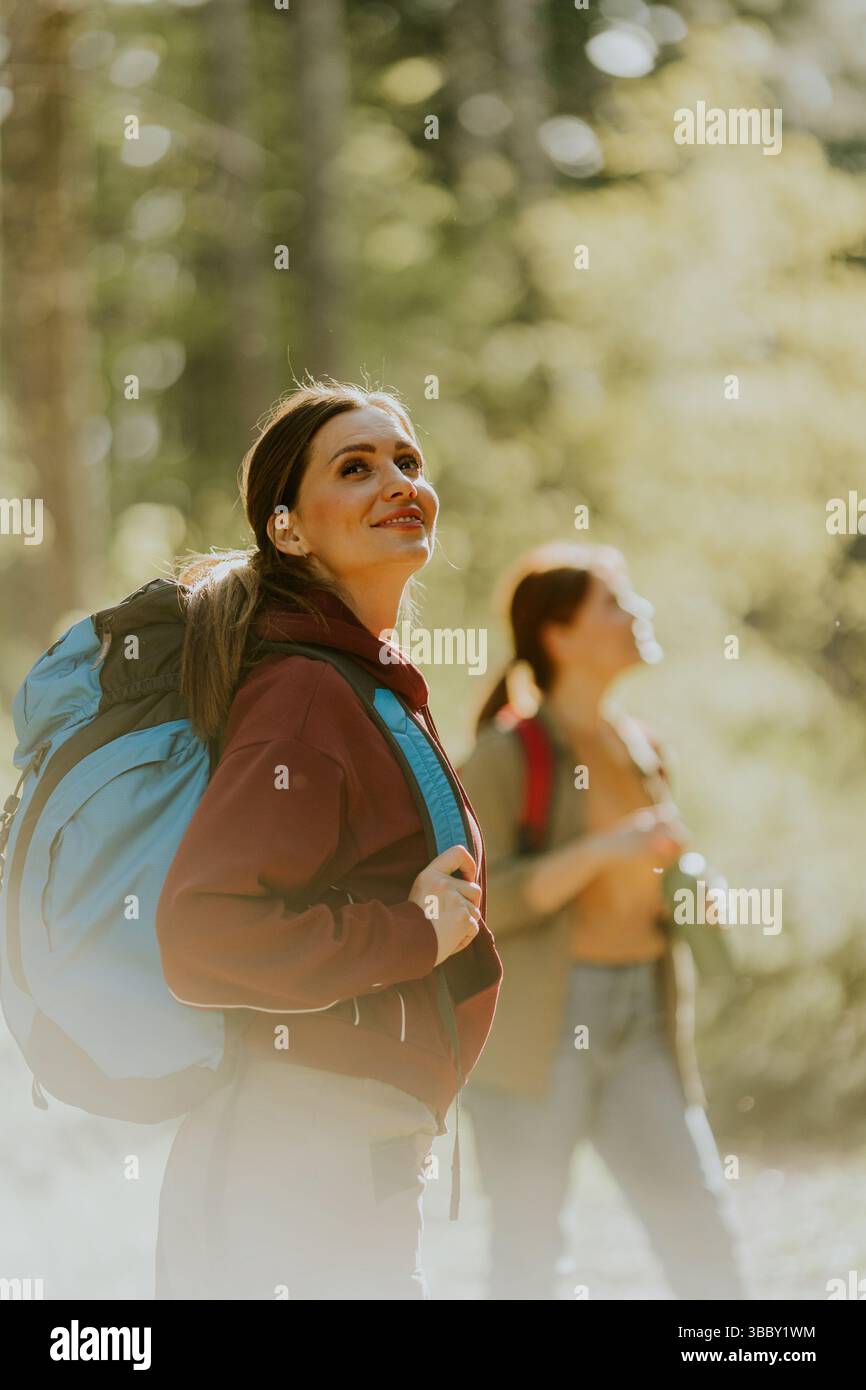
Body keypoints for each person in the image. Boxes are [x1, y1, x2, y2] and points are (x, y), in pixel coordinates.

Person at [154, 380, 502, 1300]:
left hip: (347, 1150)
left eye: (407, 462)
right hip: (295, 1156)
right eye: (356, 468)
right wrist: (415, 934)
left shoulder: (363, 687)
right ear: (289, 530)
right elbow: (206, 933)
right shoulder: (307, 693)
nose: (398, 481)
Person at [457, 540, 748, 1301]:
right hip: (535, 1032)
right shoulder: (503, 758)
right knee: (529, 1257)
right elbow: (482, 903)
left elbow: (649, 868)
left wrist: (692, 890)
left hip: (642, 1021)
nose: (638, 613)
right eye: (615, 603)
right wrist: (604, 851)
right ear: (559, 634)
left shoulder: (642, 747)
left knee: (701, 1232)